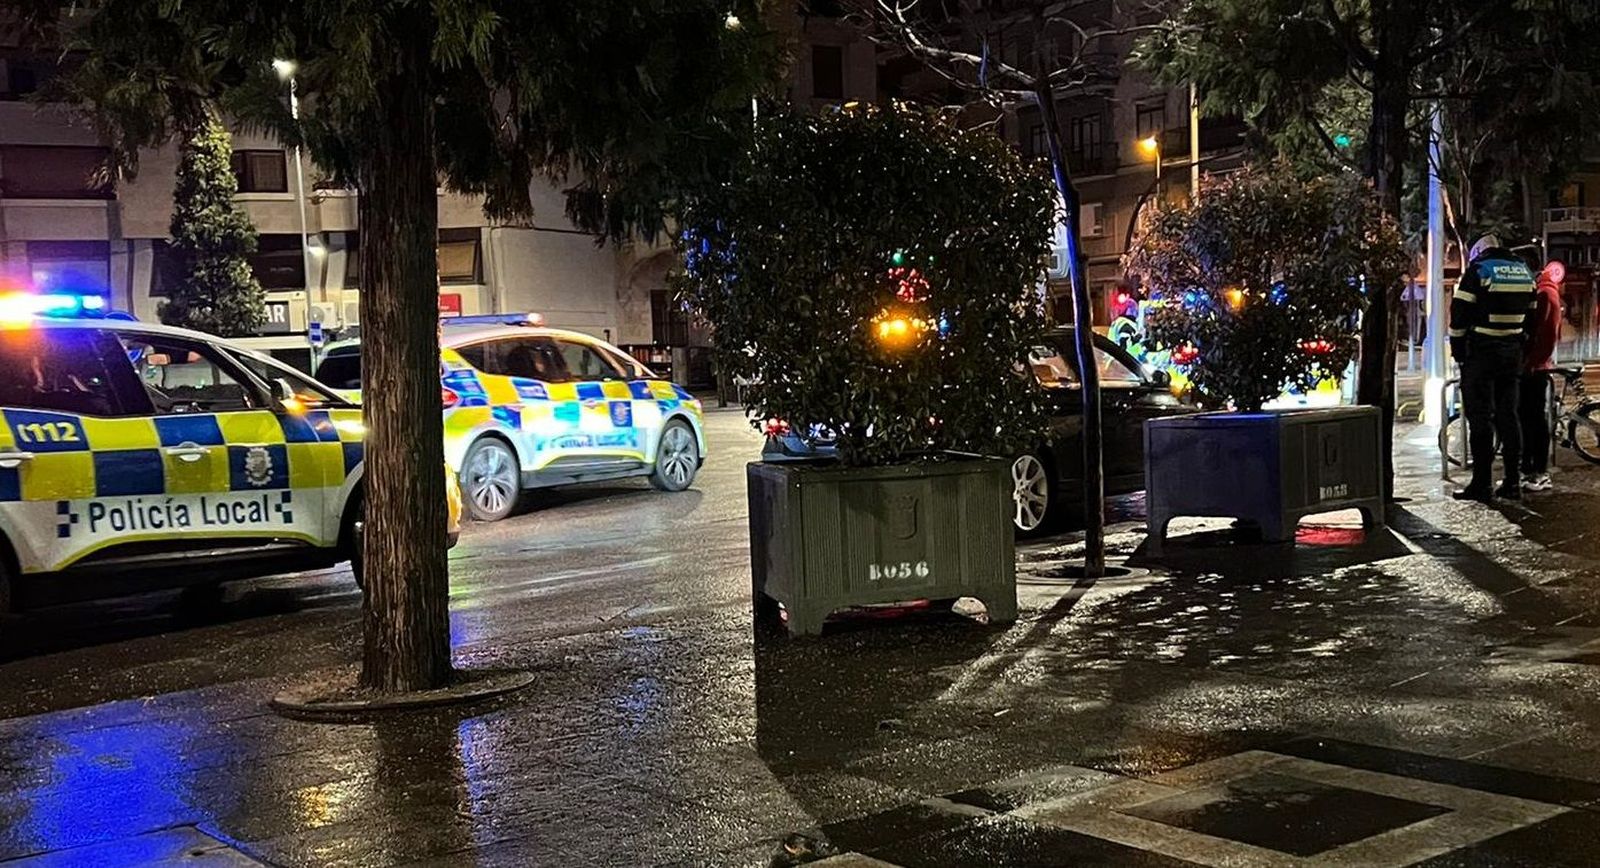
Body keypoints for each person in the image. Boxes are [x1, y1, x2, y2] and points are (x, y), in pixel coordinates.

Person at [1450, 234, 1538, 501]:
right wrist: (1520, 347)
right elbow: (1531, 319)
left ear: (1479, 252)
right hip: (1511, 355)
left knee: (1480, 420)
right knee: (1509, 417)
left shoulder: (1479, 270)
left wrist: (1459, 354)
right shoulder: (1524, 272)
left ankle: (1482, 484)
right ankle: (1513, 482)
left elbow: (1459, 317)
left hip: (1481, 354)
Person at [1518, 261, 1565, 491]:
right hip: (1539, 365)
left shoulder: (1544, 294)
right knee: (1533, 419)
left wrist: (1529, 362)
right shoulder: (1550, 292)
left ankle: (1538, 471)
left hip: (1535, 368)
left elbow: (1540, 332)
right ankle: (1531, 470)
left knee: (1532, 420)